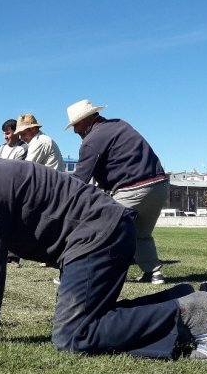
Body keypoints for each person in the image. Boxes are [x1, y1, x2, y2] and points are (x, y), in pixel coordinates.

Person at [0, 158, 207, 360]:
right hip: (102, 232)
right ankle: (179, 298)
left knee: (74, 336)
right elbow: (28, 212)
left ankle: (189, 314)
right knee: (91, 318)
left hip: (97, 238)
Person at [64, 99, 169, 284]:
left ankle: (85, 274)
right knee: (140, 234)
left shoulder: (91, 141)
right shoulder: (120, 124)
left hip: (132, 189)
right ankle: (154, 274)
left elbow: (80, 179)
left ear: (88, 119)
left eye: (77, 124)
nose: (75, 130)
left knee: (101, 230)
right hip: (159, 187)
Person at [0, 118, 27, 266]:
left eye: (8, 133)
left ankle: (12, 258)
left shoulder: (23, 149)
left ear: (16, 132)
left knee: (14, 223)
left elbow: (15, 168)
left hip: (15, 189)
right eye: (4, 134)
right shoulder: (0, 148)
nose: (6, 137)